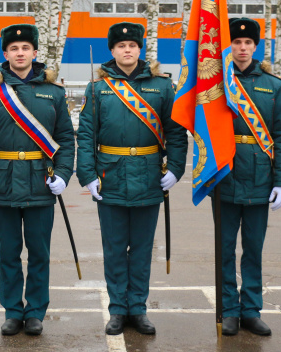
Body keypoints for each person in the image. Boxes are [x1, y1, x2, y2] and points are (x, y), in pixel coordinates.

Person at [76, 22, 188, 336]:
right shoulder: (98, 88)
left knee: (141, 249)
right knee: (113, 249)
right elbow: (86, 136)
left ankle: (137, 308)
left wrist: (176, 169)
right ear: (112, 50)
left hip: (149, 176)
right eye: (121, 45)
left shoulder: (163, 86)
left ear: (140, 49)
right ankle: (117, 310)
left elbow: (176, 134)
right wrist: (88, 174)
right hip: (110, 175)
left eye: (133, 45)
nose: (127, 50)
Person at [0, 23, 75, 336]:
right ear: (5, 53)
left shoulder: (54, 92)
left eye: (25, 48)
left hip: (42, 180)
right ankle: (13, 311)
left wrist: (65, 174)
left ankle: (36, 311)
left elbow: (66, 137)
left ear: (35, 52)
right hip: (2, 182)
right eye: (14, 48)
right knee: (8, 253)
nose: (20, 53)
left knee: (39, 253)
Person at [218, 18, 281, 337]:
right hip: (224, 173)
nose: (242, 48)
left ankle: (250, 309)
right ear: (229, 46)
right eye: (236, 42)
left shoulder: (272, 85)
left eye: (248, 43)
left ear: (255, 46)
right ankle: (229, 309)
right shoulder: (217, 82)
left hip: (261, 177)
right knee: (223, 249)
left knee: (253, 248)